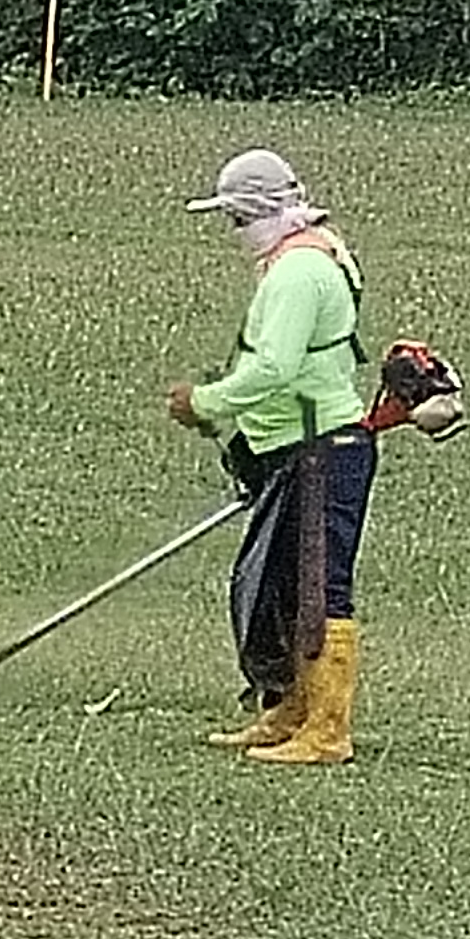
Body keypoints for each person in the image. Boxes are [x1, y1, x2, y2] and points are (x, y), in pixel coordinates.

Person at [162, 147, 375, 765]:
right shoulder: (316, 253)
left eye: (236, 219)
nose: (235, 232)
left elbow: (274, 368)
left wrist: (205, 401)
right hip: (293, 446)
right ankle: (290, 709)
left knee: (320, 589)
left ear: (257, 212)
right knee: (279, 585)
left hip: (320, 448)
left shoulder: (296, 273)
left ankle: (327, 730)